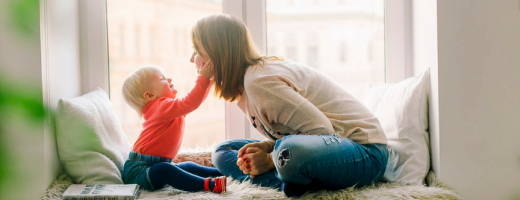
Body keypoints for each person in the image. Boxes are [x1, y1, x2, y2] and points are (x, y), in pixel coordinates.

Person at [191, 14, 389, 197]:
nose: (192, 59)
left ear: (217, 55)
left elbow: (322, 131)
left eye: (197, 51)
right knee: (223, 151)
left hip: (365, 152)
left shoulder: (259, 82)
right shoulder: (245, 86)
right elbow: (299, 133)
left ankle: (287, 176)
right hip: (322, 148)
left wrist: (269, 159)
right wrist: (268, 147)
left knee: (289, 152)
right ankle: (288, 181)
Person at [121, 63, 227, 194]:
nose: (169, 79)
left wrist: (209, 81)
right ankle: (209, 185)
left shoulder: (166, 109)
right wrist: (203, 78)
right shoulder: (160, 107)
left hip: (154, 165)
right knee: (165, 170)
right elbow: (190, 102)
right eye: (162, 79)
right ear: (149, 96)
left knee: (186, 166)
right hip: (139, 171)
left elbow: (194, 103)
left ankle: (223, 172)